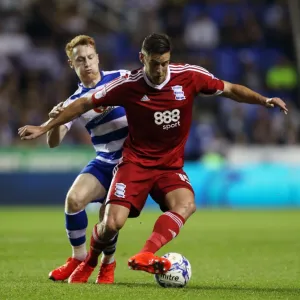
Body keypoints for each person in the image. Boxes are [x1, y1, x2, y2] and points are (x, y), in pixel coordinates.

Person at [19, 33, 288, 283]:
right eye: (80, 60)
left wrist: (264, 100)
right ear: (142, 59)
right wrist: (46, 125)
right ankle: (85, 260)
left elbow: (229, 88)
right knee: (104, 218)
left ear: (97, 57)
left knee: (186, 204)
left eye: (164, 63)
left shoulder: (181, 76)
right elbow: (78, 110)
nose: (160, 70)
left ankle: (138, 256)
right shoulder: (126, 84)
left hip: (167, 164)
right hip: (127, 161)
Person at [43, 35, 129, 284]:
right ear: (72, 64)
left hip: (130, 162)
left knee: (108, 221)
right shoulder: (73, 102)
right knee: (74, 199)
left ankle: (107, 264)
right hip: (104, 160)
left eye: (91, 57)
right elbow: (53, 142)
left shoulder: (122, 77)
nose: (88, 64)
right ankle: (78, 257)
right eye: (80, 60)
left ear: (98, 57)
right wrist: (54, 121)